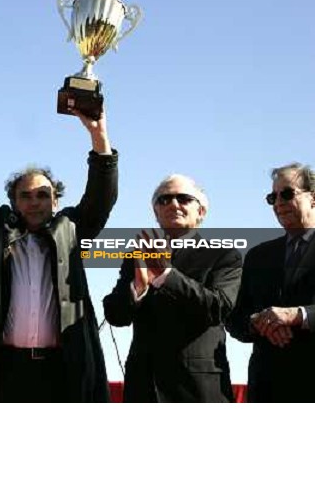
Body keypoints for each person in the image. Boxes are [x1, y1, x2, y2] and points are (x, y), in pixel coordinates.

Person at [0, 92, 118, 402]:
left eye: (42, 195)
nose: (34, 202)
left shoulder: (72, 231)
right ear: (14, 202)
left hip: (62, 370)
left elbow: (102, 196)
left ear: (56, 201)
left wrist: (98, 134)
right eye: (25, 196)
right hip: (4, 370)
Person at [103, 174, 242, 402]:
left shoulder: (224, 255)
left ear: (201, 212)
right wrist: (137, 288)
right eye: (164, 200)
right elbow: (116, 316)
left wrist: (166, 276)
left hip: (197, 389)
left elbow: (218, 307)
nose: (173, 204)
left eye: (183, 198)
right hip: (143, 387)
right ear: (156, 212)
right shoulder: (138, 255)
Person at [227, 163, 315, 402]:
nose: (278, 203)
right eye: (272, 197)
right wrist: (257, 323)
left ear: (313, 198)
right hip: (267, 388)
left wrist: (297, 315)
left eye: (287, 194)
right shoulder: (258, 256)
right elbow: (235, 318)